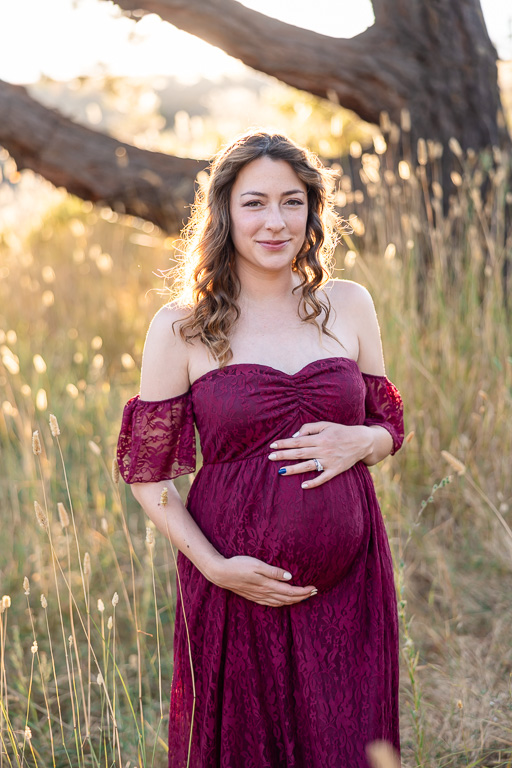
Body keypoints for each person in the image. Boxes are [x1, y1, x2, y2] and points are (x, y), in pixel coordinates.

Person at [116, 131, 405, 768]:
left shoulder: (349, 305)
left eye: (292, 202)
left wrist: (364, 440)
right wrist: (215, 567)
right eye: (254, 203)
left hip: (349, 585)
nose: (275, 222)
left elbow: (389, 424)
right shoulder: (181, 325)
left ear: (312, 211)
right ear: (223, 212)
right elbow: (148, 475)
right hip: (235, 582)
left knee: (346, 743)